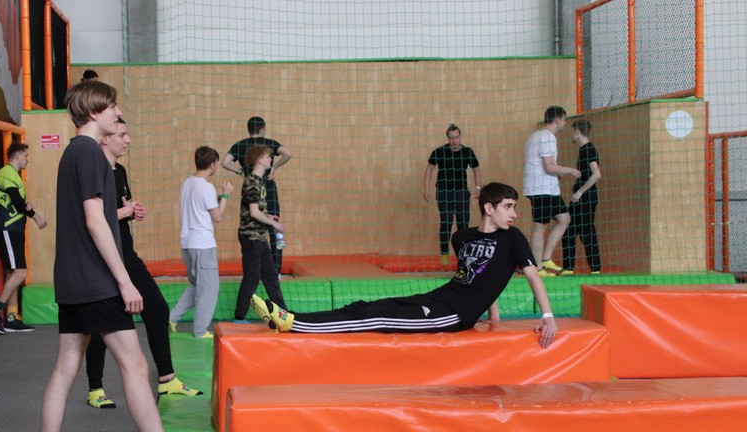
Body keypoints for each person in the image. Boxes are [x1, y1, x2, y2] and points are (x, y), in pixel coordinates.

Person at [37, 79, 219, 432]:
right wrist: (124, 281)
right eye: (113, 110)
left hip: (72, 282)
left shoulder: (73, 153)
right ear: (93, 112)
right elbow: (96, 221)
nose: (118, 116)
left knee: (65, 368)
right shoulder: (89, 154)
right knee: (135, 366)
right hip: (96, 281)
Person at [250, 182, 558, 349]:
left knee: (377, 318)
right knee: (366, 306)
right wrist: (493, 316)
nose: (514, 213)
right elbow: (476, 274)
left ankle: (294, 325)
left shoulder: (513, 238)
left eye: (514, 207)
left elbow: (532, 276)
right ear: (489, 208)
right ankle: (292, 316)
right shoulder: (461, 237)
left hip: (453, 314)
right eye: (508, 207)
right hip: (440, 297)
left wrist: (548, 318)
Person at [84, 119, 203, 408]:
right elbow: (92, 218)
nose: (127, 140)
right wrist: (123, 212)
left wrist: (131, 211)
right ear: (106, 139)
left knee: (157, 308)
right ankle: (95, 389)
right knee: (102, 323)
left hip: (126, 252)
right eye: (122, 135)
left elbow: (117, 210)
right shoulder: (95, 171)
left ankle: (167, 378)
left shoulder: (120, 171)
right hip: (102, 256)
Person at [169, 147, 234, 339]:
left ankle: (171, 317)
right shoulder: (206, 187)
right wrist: (226, 195)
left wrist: (218, 197)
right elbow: (218, 217)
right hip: (203, 244)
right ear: (212, 164)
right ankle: (200, 330)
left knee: (197, 285)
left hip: (187, 244)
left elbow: (201, 206)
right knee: (209, 289)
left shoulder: (187, 183)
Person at [0, 142, 47, 333]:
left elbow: (18, 202)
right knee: (20, 273)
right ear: (17, 156)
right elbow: (18, 203)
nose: (28, 159)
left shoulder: (13, 175)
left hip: (14, 229)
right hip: (8, 229)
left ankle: (10, 318)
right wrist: (36, 216)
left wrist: (26, 206)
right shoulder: (7, 172)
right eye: (26, 156)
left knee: (13, 274)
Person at [223, 116, 292, 272]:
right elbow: (288, 154)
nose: (269, 159)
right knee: (277, 230)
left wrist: (239, 171)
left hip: (252, 193)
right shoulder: (269, 143)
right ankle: (276, 268)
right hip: (269, 192)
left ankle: (257, 269)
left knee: (254, 231)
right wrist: (275, 167)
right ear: (262, 129)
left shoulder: (240, 145)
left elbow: (224, 162)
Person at [522, 106, 581, 276]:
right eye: (564, 120)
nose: (565, 123)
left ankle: (546, 257)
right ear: (557, 120)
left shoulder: (535, 136)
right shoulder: (547, 137)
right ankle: (537, 268)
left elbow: (542, 164)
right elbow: (548, 166)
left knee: (564, 218)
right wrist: (570, 170)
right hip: (542, 189)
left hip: (546, 188)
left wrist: (557, 173)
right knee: (539, 227)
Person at [233, 145, 286, 321]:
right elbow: (254, 212)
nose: (271, 159)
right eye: (268, 156)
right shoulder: (252, 182)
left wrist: (270, 216)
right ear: (260, 160)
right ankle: (239, 317)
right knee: (252, 277)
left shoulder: (259, 181)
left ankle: (283, 314)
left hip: (259, 236)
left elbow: (256, 210)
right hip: (251, 237)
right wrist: (274, 224)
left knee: (270, 276)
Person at [423, 124, 483, 267]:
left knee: (463, 225)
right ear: (447, 138)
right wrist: (426, 189)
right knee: (446, 223)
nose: (454, 141)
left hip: (461, 192)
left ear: (460, 137)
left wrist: (478, 187)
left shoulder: (467, 151)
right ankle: (444, 255)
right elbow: (429, 169)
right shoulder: (439, 151)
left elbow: (476, 168)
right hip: (443, 192)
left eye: (456, 137)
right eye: (451, 138)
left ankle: (463, 256)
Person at [561, 119, 602, 274]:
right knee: (570, 231)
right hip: (582, 197)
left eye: (573, 131)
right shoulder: (583, 149)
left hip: (585, 198)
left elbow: (596, 174)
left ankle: (595, 269)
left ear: (577, 131)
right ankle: (568, 268)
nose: (571, 134)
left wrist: (580, 192)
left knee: (586, 232)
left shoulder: (588, 149)